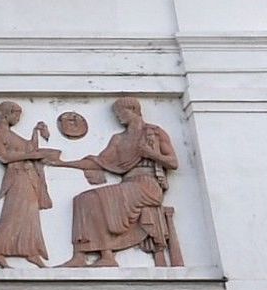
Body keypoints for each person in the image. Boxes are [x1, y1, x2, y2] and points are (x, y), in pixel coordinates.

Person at [62, 97, 184, 268]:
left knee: (99, 197)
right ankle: (86, 256)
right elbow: (99, 162)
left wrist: (151, 154)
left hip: (148, 185)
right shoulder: (118, 139)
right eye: (116, 113)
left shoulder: (154, 133)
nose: (118, 116)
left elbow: (173, 162)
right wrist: (63, 163)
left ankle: (105, 256)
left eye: (120, 112)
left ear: (133, 110)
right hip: (129, 184)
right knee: (84, 199)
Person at [0, 102, 58, 269]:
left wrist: (36, 132)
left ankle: (31, 252)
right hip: (17, 177)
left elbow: (29, 148)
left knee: (31, 215)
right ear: (6, 114)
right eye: (16, 115)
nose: (18, 119)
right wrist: (32, 155)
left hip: (29, 177)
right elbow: (4, 157)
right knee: (15, 213)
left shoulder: (11, 134)